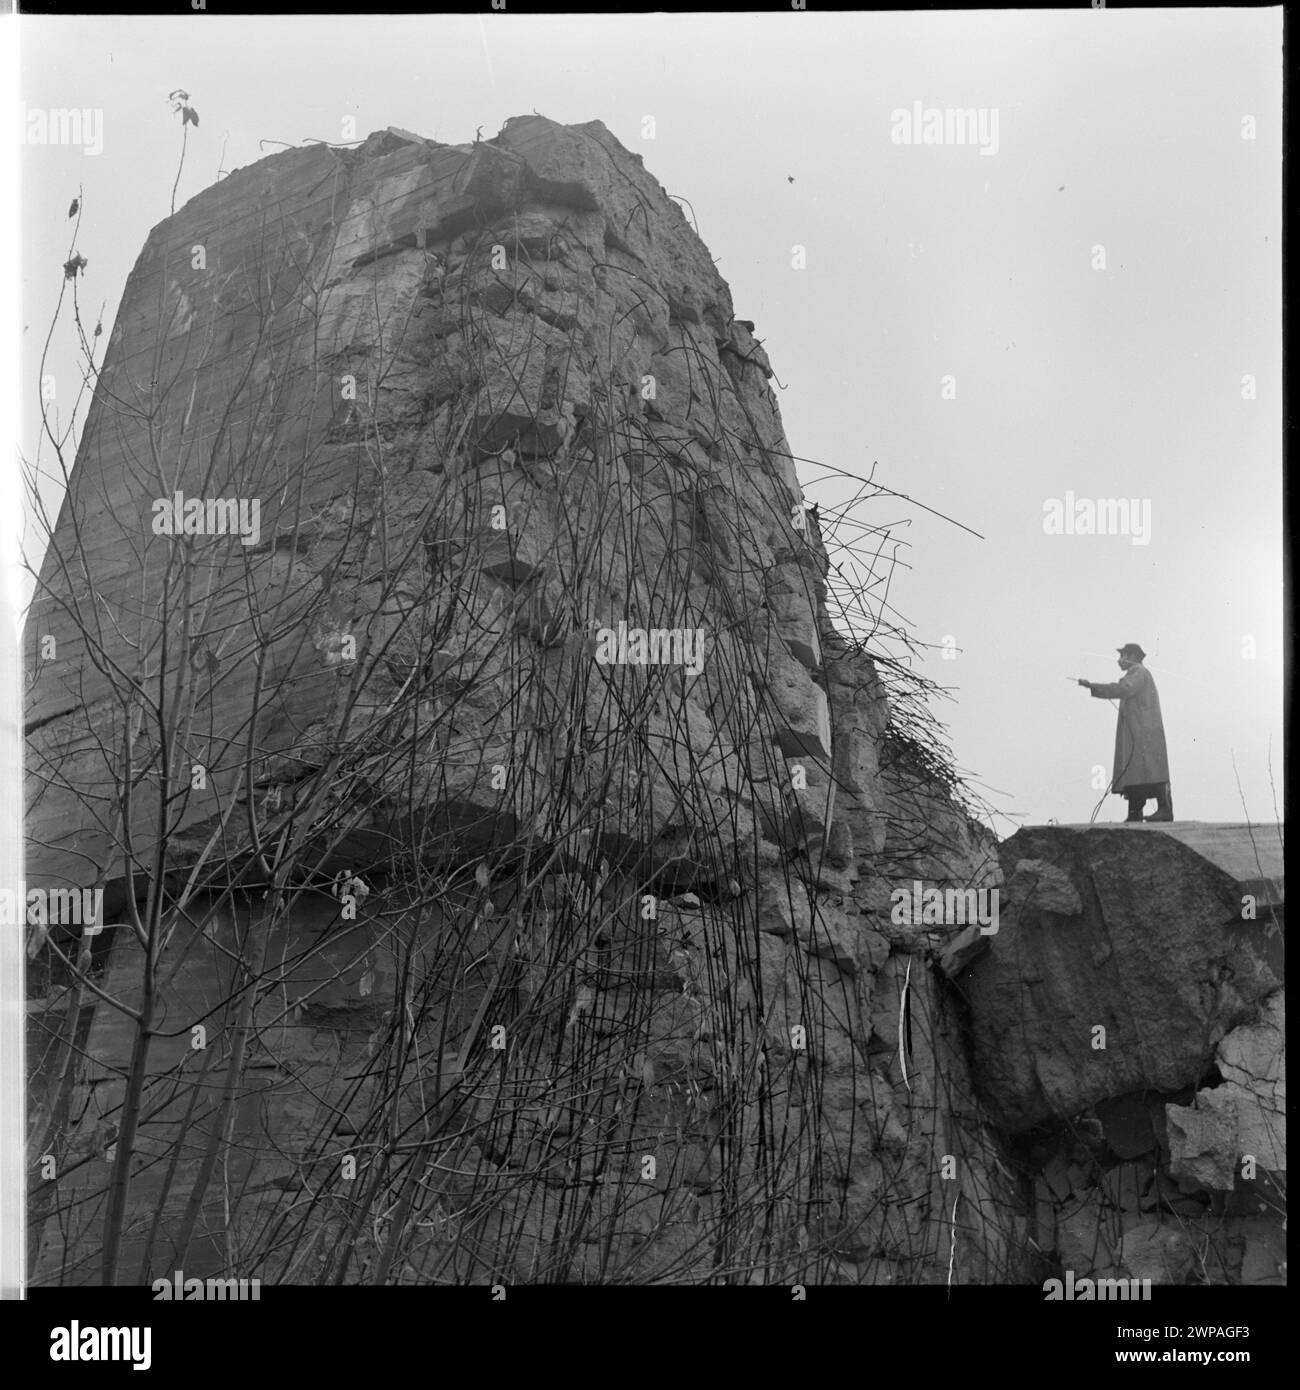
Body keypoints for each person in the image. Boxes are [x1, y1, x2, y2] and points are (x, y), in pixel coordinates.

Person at [1078, 644, 1173, 822]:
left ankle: (1163, 809)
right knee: (1137, 771)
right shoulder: (1139, 673)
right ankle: (1135, 813)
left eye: (1123, 655)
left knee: (1149, 769)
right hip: (1139, 731)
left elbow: (1123, 688)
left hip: (1143, 731)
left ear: (1133, 656)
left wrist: (1093, 687)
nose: (1119, 660)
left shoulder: (1138, 671)